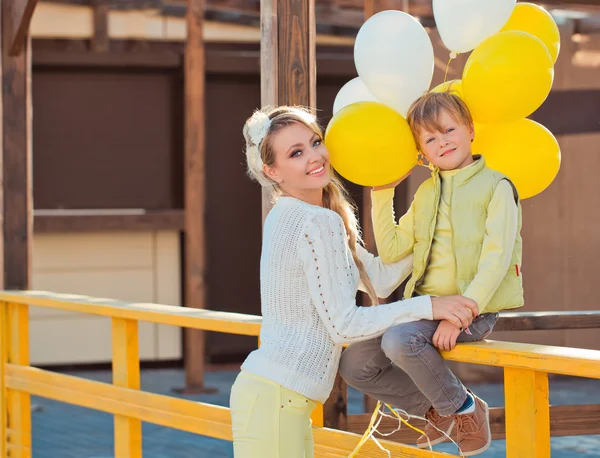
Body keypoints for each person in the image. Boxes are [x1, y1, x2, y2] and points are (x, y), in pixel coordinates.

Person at [229, 105, 478, 458]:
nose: (315, 157)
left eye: (316, 142)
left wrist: (433, 230)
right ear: (272, 171)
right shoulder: (314, 222)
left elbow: (377, 277)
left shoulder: (298, 215)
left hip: (276, 397)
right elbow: (344, 326)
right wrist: (430, 305)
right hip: (277, 397)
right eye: (296, 153)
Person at [339, 91, 524, 457]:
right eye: (430, 138)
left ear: (470, 130)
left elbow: (496, 260)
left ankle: (464, 410)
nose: (443, 142)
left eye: (449, 130)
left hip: (475, 309)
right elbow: (392, 248)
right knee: (355, 364)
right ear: (421, 151)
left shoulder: (497, 187)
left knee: (399, 342)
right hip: (426, 309)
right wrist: (383, 192)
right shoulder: (427, 192)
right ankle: (438, 410)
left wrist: (462, 315)